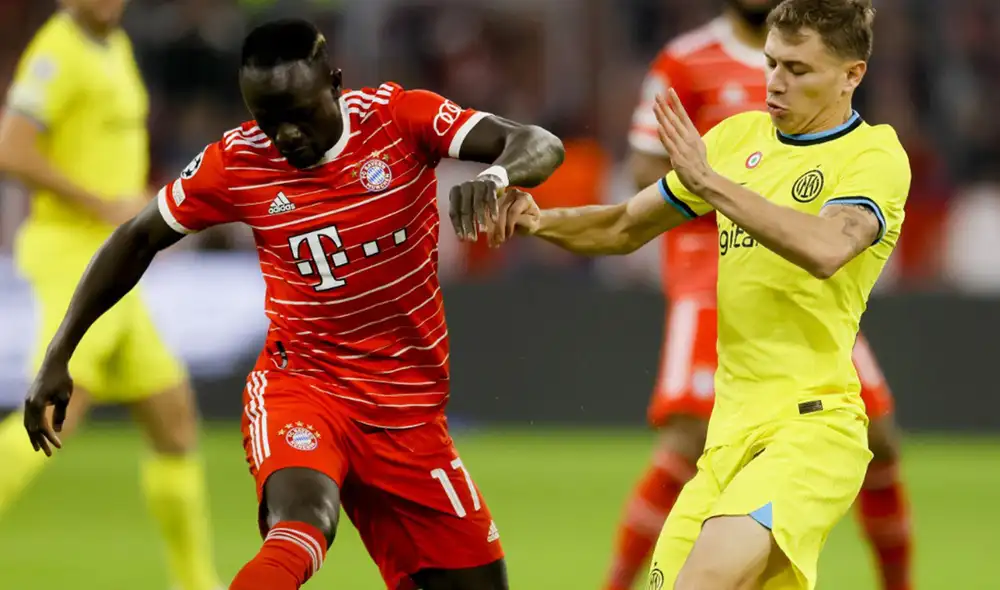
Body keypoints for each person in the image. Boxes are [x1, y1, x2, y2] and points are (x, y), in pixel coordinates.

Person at [23, 18, 564, 590]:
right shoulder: (237, 161)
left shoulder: (400, 119)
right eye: (268, 119)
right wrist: (60, 352)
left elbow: (539, 142)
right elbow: (136, 237)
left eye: (300, 113)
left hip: (408, 413)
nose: (286, 135)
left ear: (334, 82)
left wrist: (500, 173)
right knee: (305, 525)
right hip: (303, 386)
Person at [491, 0, 909, 588]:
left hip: (810, 430)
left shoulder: (873, 156)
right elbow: (623, 226)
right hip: (728, 439)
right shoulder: (738, 137)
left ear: (851, 75)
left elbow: (825, 247)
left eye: (798, 69)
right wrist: (540, 222)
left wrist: (711, 183)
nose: (776, 83)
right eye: (771, 64)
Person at [0, 2, 221, 589]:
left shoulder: (113, 44)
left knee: (172, 417)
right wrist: (103, 204)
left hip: (114, 259)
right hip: (76, 256)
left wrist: (134, 203)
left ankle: (197, 583)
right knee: (54, 413)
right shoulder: (57, 51)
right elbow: (11, 148)